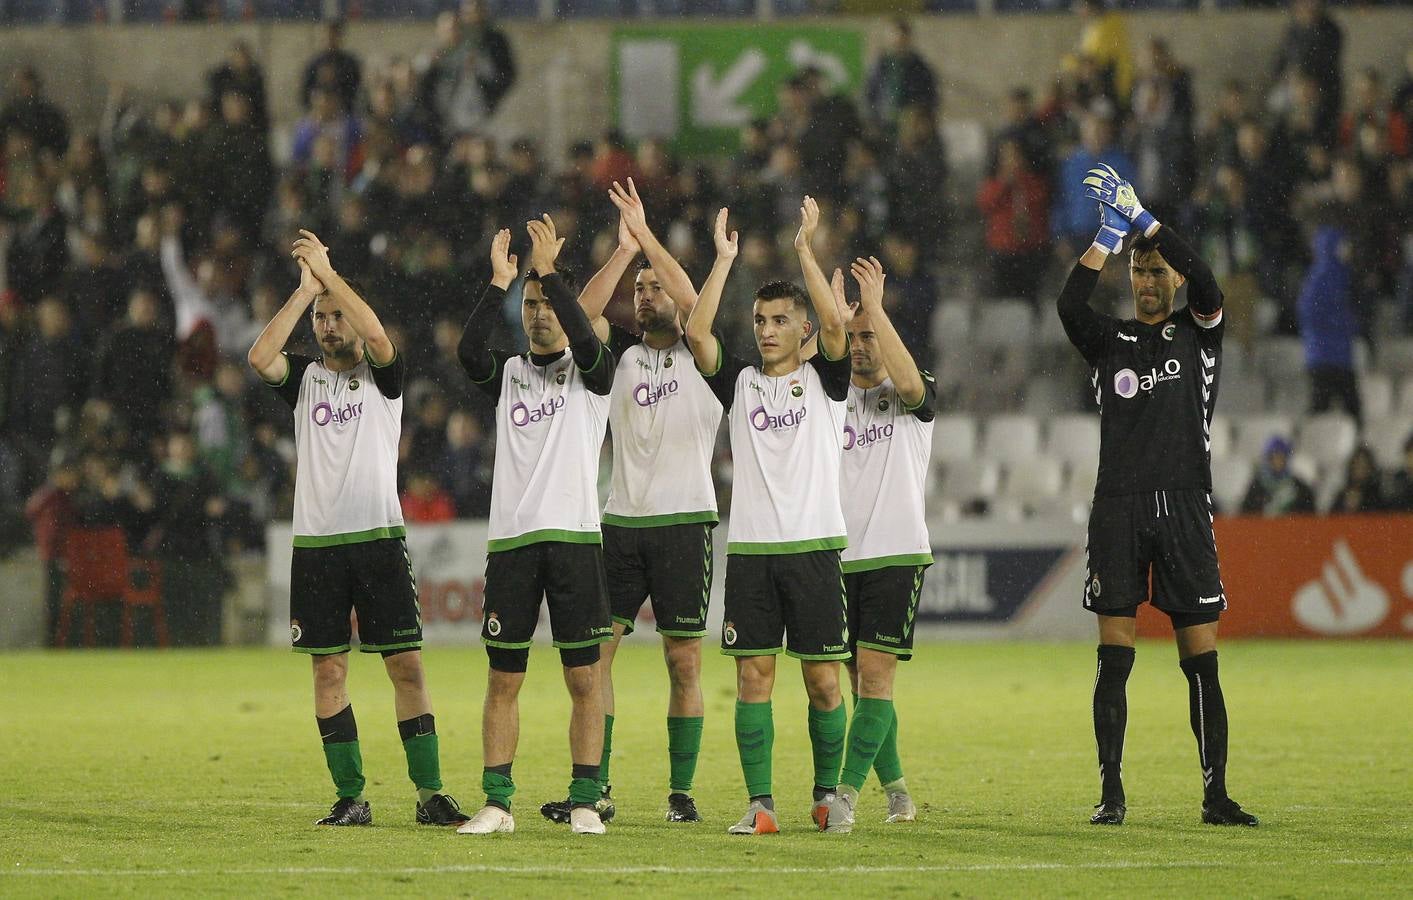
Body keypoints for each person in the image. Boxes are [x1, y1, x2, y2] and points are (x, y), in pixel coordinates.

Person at [246, 229, 469, 829]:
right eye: (321, 319)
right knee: (328, 669)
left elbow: (376, 336)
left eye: (335, 316)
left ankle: (430, 794)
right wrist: (305, 292)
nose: (328, 326)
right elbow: (259, 358)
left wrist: (333, 279)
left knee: (406, 667)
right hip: (316, 546)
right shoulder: (303, 381)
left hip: (377, 540)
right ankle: (351, 796)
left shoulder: (383, 378)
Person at [1058, 163, 1258, 827]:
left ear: (1171, 279)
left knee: (1199, 660)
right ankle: (1110, 794)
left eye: (1155, 272)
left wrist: (1145, 222)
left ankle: (1215, 795)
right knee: (1113, 656)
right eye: (1138, 272)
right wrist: (1107, 239)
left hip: (1182, 506)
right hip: (1116, 505)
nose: (1148, 282)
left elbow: (1206, 279)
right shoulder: (1107, 339)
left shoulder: (1200, 332)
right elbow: (1067, 306)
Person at [537, 180, 718, 827]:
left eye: (654, 286)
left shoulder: (706, 359)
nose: (646, 296)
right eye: (638, 290)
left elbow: (696, 302)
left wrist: (649, 241)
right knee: (598, 657)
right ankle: (597, 787)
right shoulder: (614, 362)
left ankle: (680, 792)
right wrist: (622, 253)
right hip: (617, 525)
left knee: (683, 659)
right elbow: (576, 318)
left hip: (684, 522)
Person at [683, 199, 852, 835]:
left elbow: (837, 332)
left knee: (823, 684)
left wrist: (806, 248)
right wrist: (723, 260)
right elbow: (698, 336)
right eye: (759, 320)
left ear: (802, 329)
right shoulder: (743, 384)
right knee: (754, 678)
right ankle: (761, 807)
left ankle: (827, 798)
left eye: (780, 320)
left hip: (813, 549)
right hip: (752, 552)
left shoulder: (826, 382)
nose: (766, 329)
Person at [454, 218, 616, 837]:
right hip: (514, 544)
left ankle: (583, 799)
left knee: (584, 677)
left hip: (575, 541)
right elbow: (468, 353)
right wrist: (498, 282)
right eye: (530, 305)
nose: (539, 314)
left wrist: (548, 273)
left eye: (547, 304)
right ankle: (496, 802)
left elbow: (586, 337)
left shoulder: (592, 372)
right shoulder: (508, 374)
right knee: (504, 678)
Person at [830, 255, 935, 828]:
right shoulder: (828, 400)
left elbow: (913, 382)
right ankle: (897, 792)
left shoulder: (914, 398)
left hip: (896, 554)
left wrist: (873, 308)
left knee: (875, 678)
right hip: (839, 558)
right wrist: (837, 318)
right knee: (861, 682)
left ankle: (843, 797)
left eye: (870, 336)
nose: (863, 345)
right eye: (855, 337)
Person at [1239, 436, 1316, 517]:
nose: (1277, 461)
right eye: (1273, 458)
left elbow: (1310, 517)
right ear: (1267, 460)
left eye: (1281, 457)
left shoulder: (1300, 488)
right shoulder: (1256, 488)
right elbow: (1246, 516)